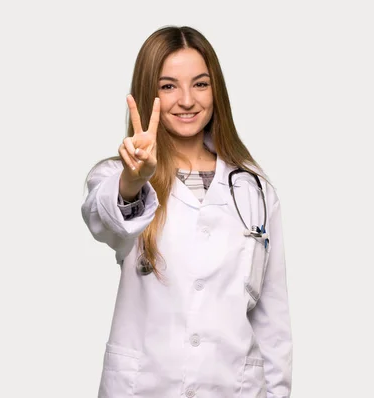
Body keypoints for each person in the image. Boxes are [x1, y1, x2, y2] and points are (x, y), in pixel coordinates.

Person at [81, 25, 292, 398]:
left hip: (233, 386)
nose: (186, 100)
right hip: (146, 385)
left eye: (200, 84)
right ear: (150, 94)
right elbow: (104, 218)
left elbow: (271, 317)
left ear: (216, 91)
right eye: (168, 86)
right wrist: (135, 180)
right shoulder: (118, 176)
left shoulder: (254, 189)